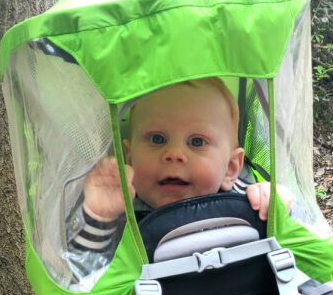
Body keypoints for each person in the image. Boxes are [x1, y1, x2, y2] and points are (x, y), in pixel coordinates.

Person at [68, 78, 292, 263]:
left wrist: (282, 209)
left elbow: (297, 250)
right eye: (157, 139)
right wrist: (98, 215)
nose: (174, 153)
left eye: (197, 141)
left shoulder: (247, 198)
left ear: (230, 168)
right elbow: (84, 276)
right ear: (130, 157)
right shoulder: (123, 212)